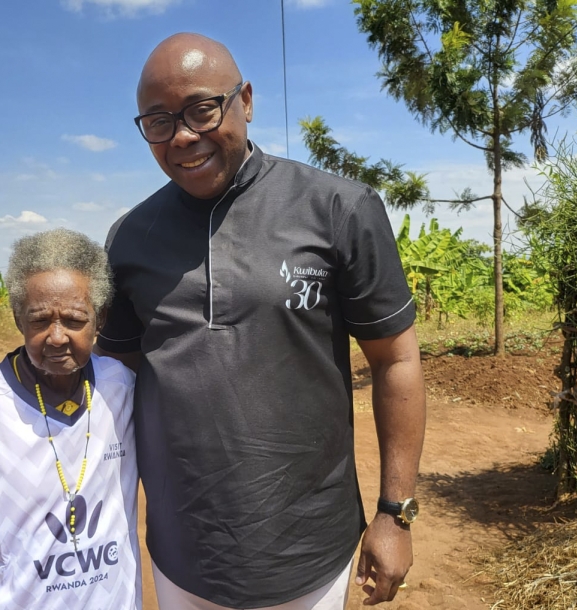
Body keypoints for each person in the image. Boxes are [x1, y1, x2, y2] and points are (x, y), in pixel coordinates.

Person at [95, 33, 427, 609]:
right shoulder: (130, 238)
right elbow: (114, 384)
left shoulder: (338, 209)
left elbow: (395, 359)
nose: (182, 137)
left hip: (309, 550)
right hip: (180, 551)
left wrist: (395, 515)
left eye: (202, 109)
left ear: (244, 100)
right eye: (157, 121)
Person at [0, 228, 142, 610]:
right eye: (39, 320)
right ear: (18, 319)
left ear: (101, 320)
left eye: (75, 319)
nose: (56, 336)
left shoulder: (122, 389)